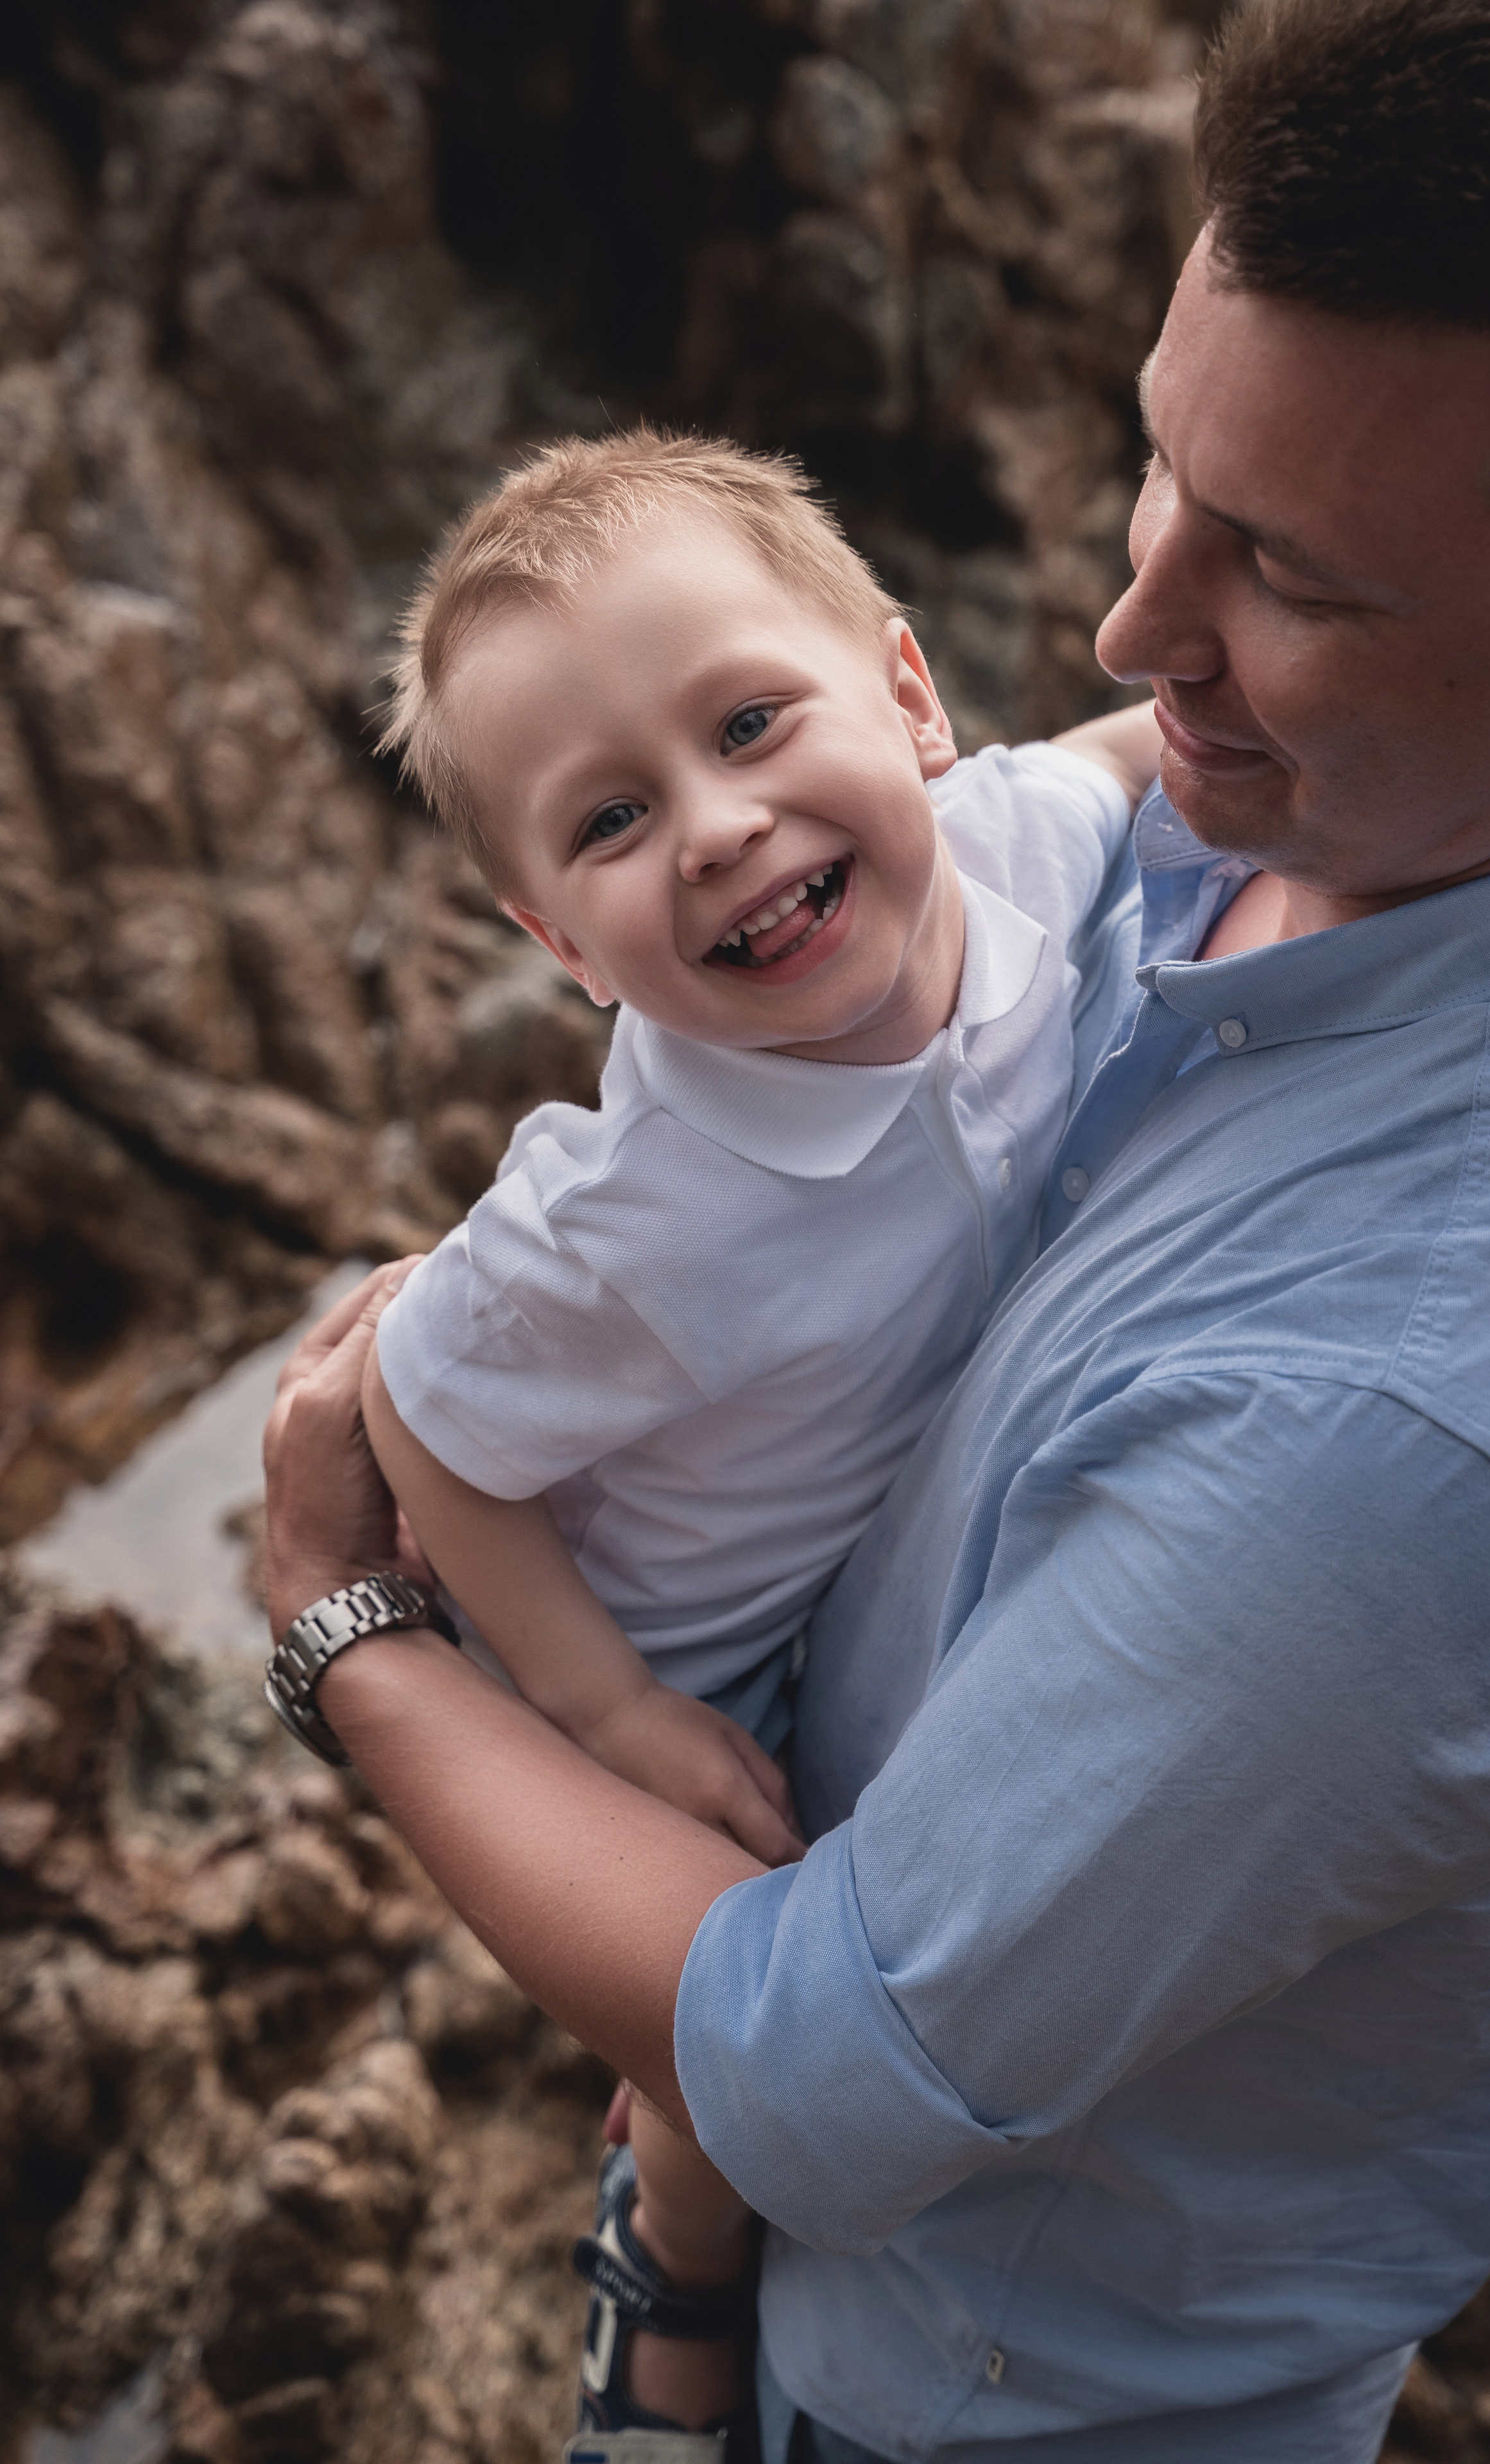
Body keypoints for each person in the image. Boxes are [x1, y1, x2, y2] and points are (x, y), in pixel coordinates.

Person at [262, 3, 1490, 2458]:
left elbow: (823, 2065)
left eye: (1291, 574)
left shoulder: (1401, 1439)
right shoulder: (1320, 799)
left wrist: (345, 1636)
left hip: (976, 2393)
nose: (1135, 633)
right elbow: (1067, 772)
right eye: (1157, 475)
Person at [352, 428, 1162, 2452]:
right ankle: (670, 2265)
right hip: (682, 1638)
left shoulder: (1021, 845)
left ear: (909, 696)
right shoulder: (626, 1225)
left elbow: (1155, 749)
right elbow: (422, 1418)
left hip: (870, 1533)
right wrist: (611, 1710)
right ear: (555, 942)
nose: (715, 828)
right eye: (611, 819)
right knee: (722, 2030)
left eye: (748, 721)